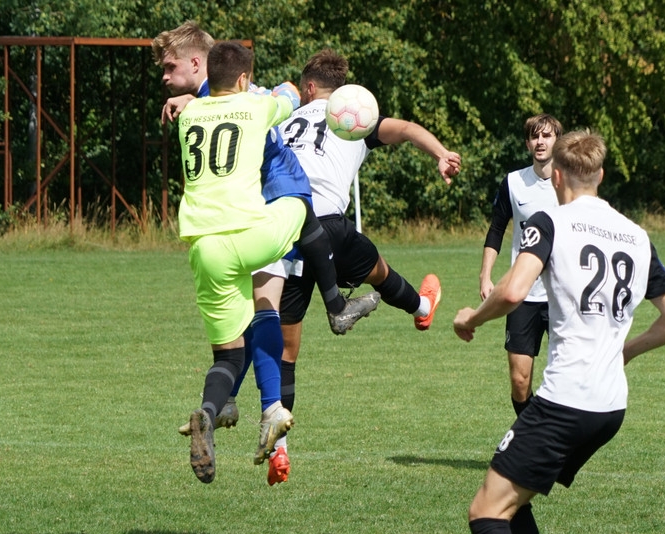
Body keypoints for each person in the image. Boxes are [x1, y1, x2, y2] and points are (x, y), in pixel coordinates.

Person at [452, 130, 665, 534]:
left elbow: (514, 292)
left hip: (566, 400)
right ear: (600, 175)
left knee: (486, 511)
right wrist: (626, 351)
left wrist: (470, 319)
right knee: (515, 504)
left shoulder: (550, 221)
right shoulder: (636, 234)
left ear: (556, 175)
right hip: (610, 406)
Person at [153, 23, 379, 484]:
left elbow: (243, 99)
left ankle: (222, 405)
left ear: (198, 63)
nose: (164, 77)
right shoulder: (240, 100)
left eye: (170, 67)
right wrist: (193, 96)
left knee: (243, 333)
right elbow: (283, 94)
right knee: (275, 287)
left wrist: (192, 99)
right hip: (257, 215)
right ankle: (284, 385)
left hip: (218, 230)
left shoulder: (202, 107)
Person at [270, 48, 462, 468]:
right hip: (328, 225)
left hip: (283, 231)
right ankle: (422, 307)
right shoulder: (355, 115)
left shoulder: (281, 117)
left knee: (286, 352)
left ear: (309, 87)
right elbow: (407, 129)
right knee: (377, 270)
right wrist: (441, 154)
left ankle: (280, 449)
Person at [170, 39, 307, 485]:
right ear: (244, 79)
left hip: (205, 248)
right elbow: (290, 94)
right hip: (251, 236)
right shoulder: (255, 105)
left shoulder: (189, 114)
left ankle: (210, 411)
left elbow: (201, 102)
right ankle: (332, 296)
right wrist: (273, 91)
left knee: (228, 355)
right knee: (300, 200)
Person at [479, 115, 563, 417]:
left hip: (562, 294)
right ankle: (534, 432)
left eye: (546, 136)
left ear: (557, 141)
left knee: (565, 377)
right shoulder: (514, 182)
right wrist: (485, 275)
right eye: (534, 136)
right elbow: (496, 229)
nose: (540, 142)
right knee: (519, 381)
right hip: (523, 294)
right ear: (528, 143)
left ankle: (554, 436)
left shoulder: (570, 183)